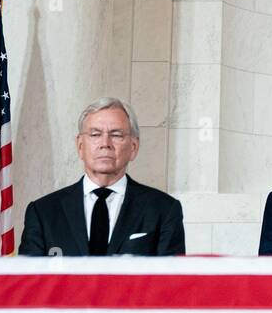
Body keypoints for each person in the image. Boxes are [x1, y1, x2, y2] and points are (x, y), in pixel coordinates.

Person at [19, 98, 184, 256]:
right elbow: (30, 282)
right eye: (95, 134)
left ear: (133, 147)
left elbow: (171, 282)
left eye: (116, 135)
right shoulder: (43, 213)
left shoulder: (164, 210)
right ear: (80, 146)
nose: (105, 143)